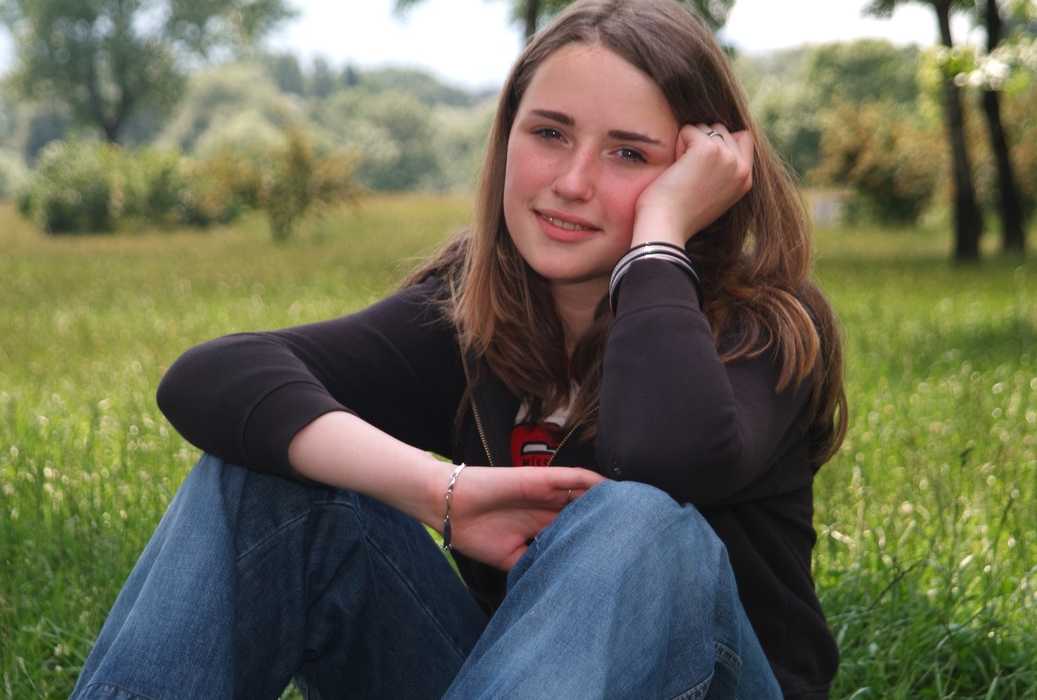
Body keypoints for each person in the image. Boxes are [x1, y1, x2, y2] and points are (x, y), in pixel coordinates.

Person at [70, 0, 847, 698]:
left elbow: (666, 459)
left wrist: (656, 245)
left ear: (701, 174)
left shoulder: (768, 327)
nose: (571, 181)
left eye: (628, 154)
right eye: (548, 134)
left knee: (636, 518)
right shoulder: (472, 315)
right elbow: (211, 377)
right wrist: (444, 494)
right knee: (265, 476)